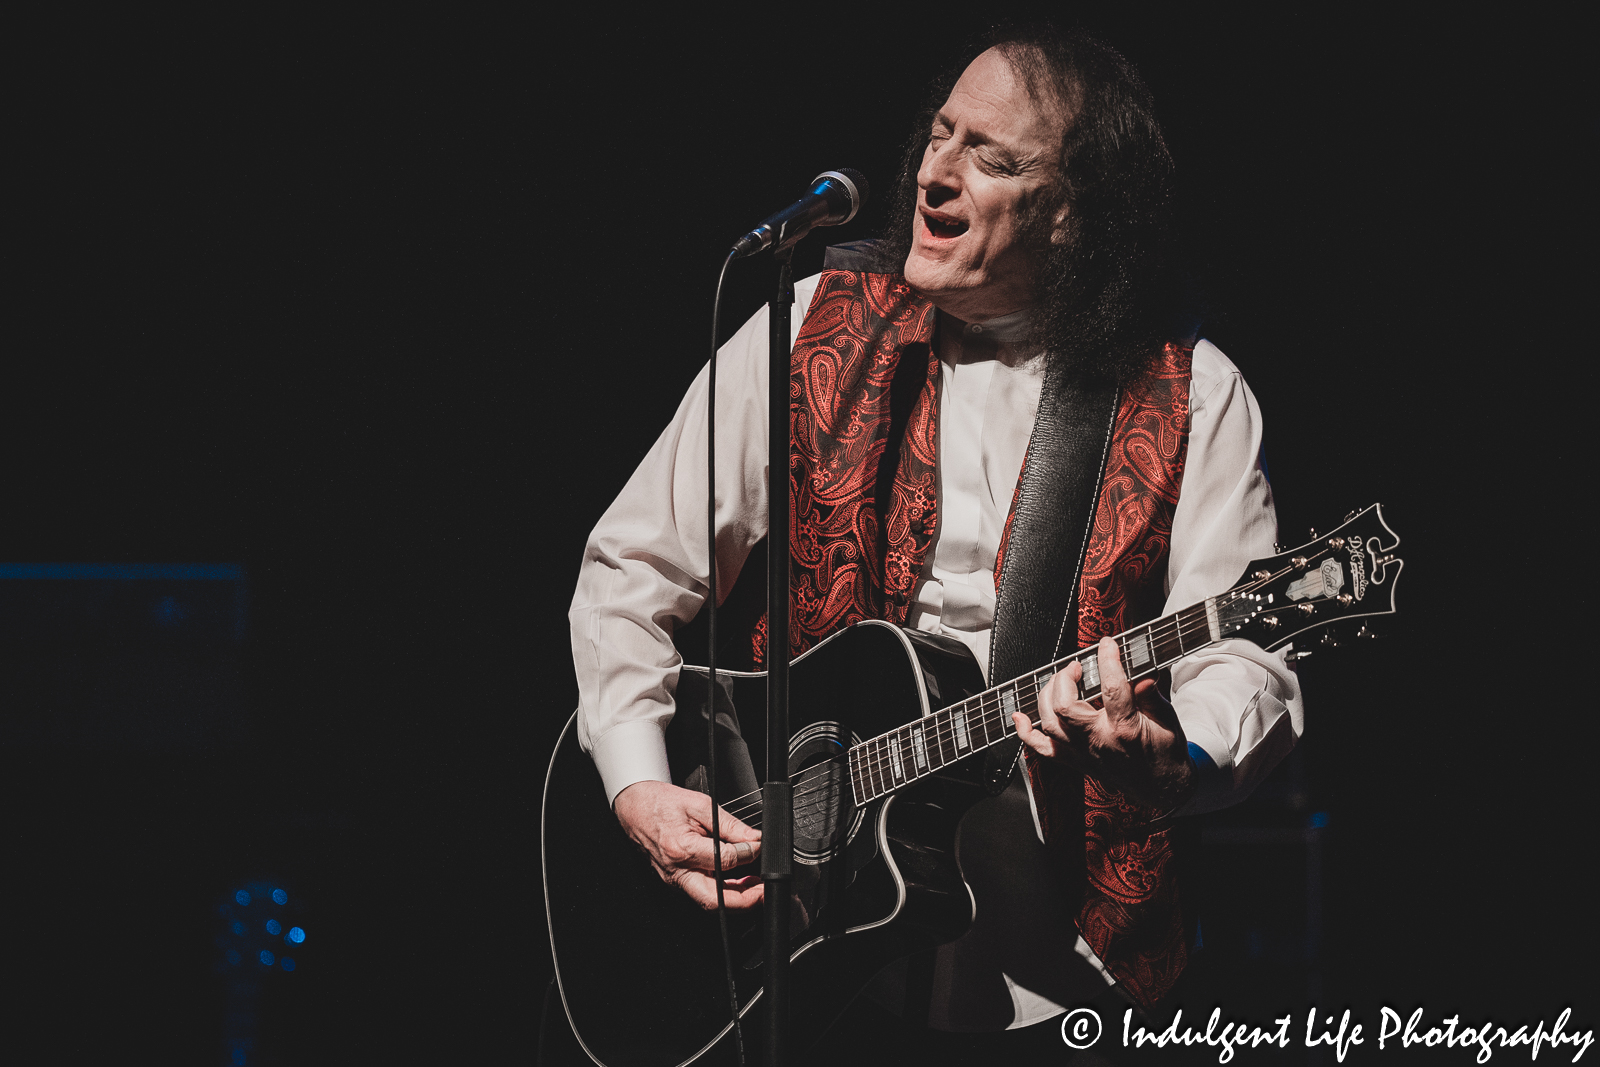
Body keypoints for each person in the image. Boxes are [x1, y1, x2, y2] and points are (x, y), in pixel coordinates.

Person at [568, 26, 1303, 1030]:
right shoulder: (806, 328)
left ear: (1076, 217)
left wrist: (1177, 752)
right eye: (941, 132)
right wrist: (639, 787)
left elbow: (1246, 654)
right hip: (803, 946)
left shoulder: (1189, 393)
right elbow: (630, 568)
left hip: (1058, 965)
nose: (935, 172)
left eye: (991, 157)